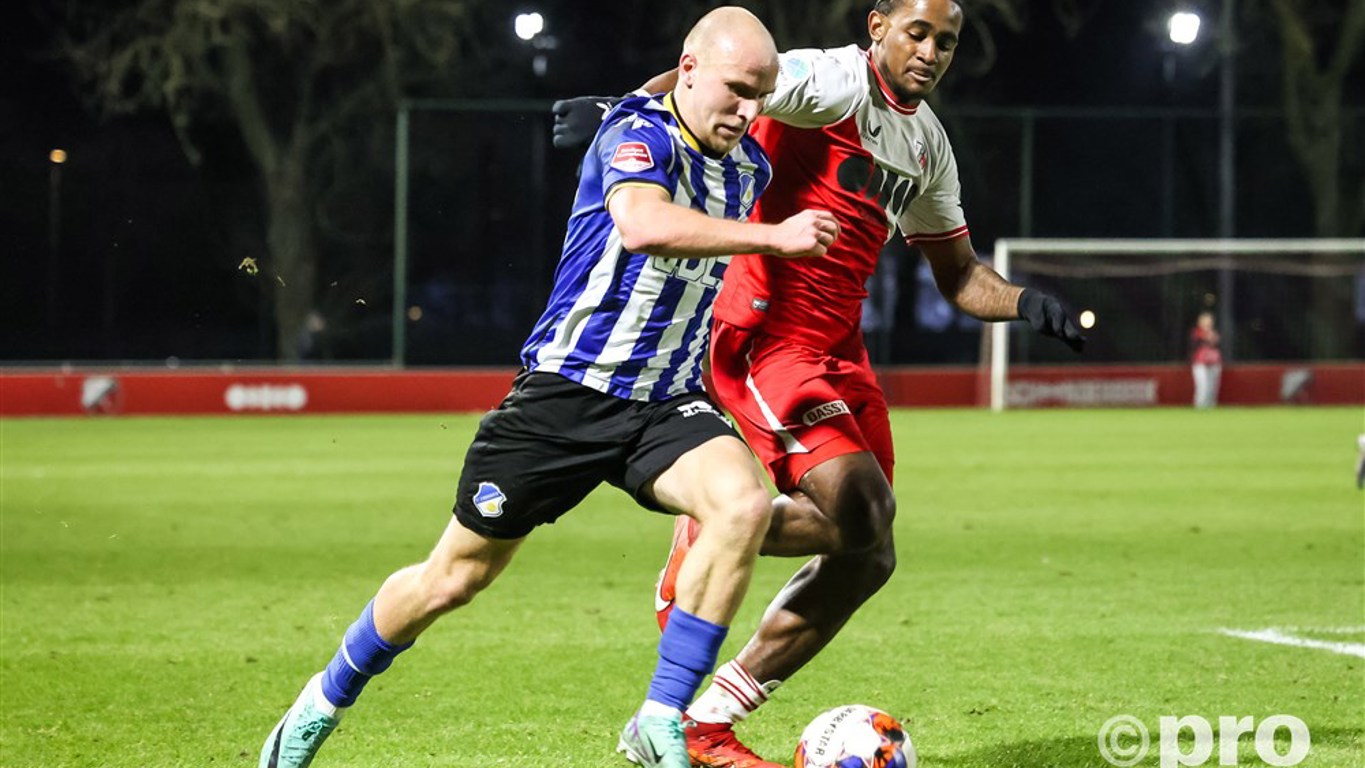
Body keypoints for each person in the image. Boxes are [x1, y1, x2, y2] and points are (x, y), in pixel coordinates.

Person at [257, 9, 841, 768]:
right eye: (734, 89)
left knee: (741, 506)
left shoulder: (748, 166)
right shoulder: (637, 134)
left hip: (665, 400)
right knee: (454, 578)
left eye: (760, 95)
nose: (747, 111)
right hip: (565, 395)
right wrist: (773, 236)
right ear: (689, 70)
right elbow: (640, 223)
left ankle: (661, 716)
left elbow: (723, 111)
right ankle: (320, 702)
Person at [553, 1, 1085, 766]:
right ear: (877, 27)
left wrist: (1026, 304)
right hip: (763, 335)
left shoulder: (927, 145)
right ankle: (714, 525)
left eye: (946, 41)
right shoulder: (828, 82)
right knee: (863, 507)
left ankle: (704, 722)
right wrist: (625, 110)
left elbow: (960, 276)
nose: (931, 52)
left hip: (838, 349)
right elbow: (723, 81)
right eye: (917, 32)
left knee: (868, 553)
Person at [1190, 310, 1223, 408]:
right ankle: (1200, 406)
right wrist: (1205, 338)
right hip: (1200, 363)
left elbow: (1219, 348)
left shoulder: (1215, 333)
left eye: (1209, 321)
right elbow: (1192, 346)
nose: (1207, 323)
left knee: (1212, 387)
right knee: (1202, 386)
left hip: (1214, 362)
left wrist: (1213, 338)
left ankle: (1211, 406)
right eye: (1205, 321)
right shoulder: (1196, 333)